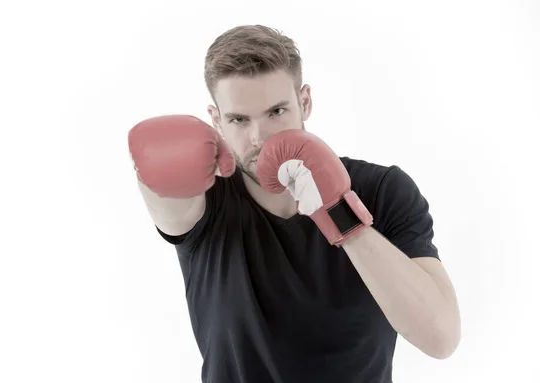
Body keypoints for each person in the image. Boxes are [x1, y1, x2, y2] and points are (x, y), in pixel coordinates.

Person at [128, 25, 461, 383]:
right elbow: (165, 199)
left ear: (305, 102)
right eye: (239, 119)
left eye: (276, 112)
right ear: (216, 120)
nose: (259, 138)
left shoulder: (382, 190)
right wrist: (153, 167)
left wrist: (338, 211)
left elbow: (440, 339)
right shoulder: (206, 197)